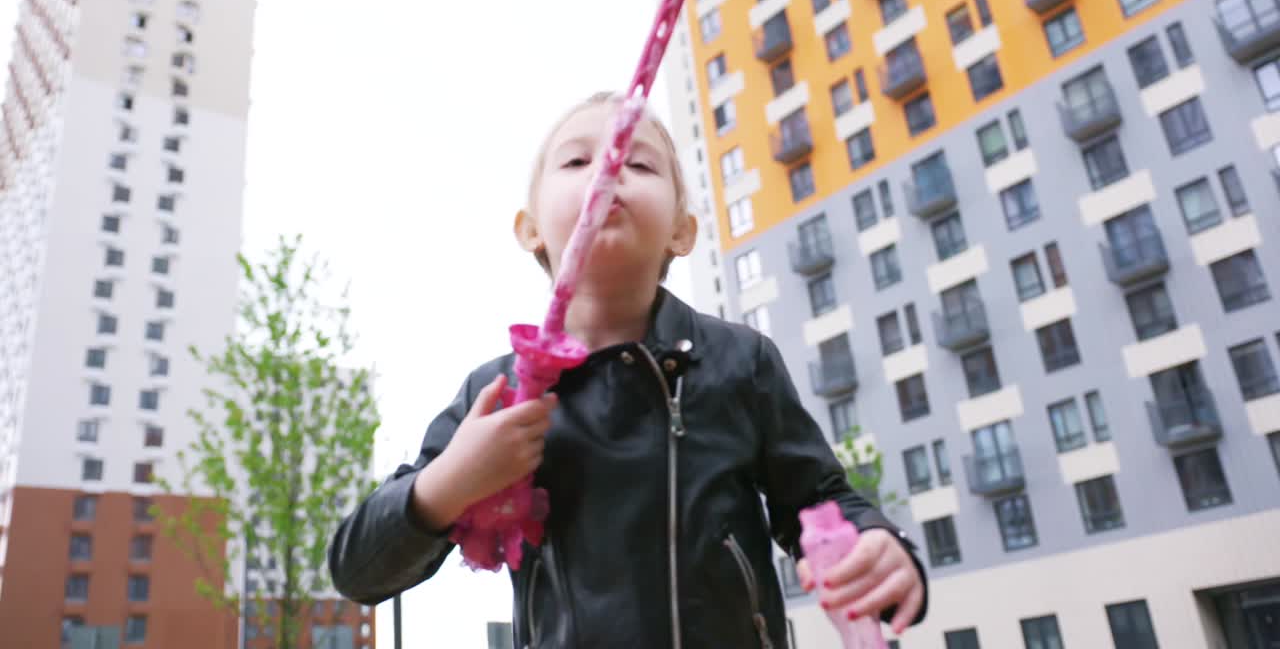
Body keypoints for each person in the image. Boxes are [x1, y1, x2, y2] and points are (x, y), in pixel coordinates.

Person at [329, 92, 928, 647]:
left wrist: (878, 542)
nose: (608, 167)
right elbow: (357, 569)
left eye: (638, 165)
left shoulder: (740, 361)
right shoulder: (498, 393)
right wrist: (449, 483)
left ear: (681, 230)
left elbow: (820, 502)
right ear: (530, 227)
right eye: (576, 161)